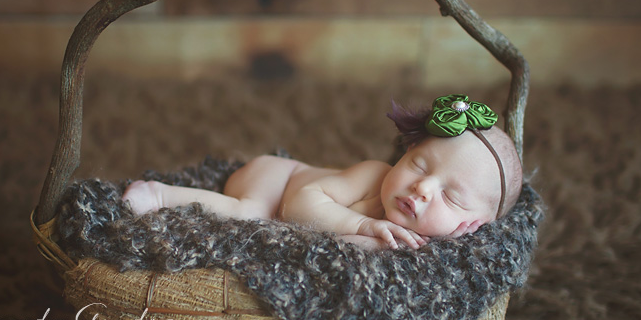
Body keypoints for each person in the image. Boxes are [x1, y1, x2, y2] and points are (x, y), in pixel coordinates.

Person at [123, 95, 523, 251]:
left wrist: (376, 242)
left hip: (288, 203)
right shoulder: (372, 176)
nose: (421, 187)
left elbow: (343, 249)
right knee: (249, 216)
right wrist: (364, 225)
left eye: (450, 197)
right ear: (405, 154)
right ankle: (160, 195)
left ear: (470, 226)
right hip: (276, 181)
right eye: (418, 165)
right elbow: (300, 206)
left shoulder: (422, 243)